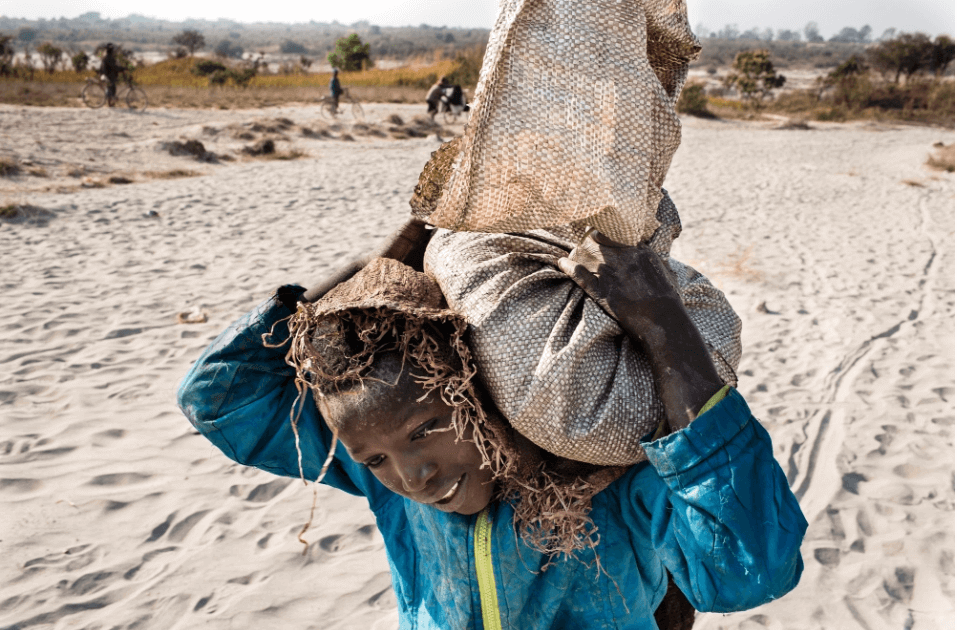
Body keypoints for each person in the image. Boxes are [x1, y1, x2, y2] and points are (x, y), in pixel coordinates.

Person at [178, 218, 807, 630]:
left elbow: (749, 570)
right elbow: (214, 397)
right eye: (375, 459)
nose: (412, 475)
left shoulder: (612, 485)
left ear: (475, 393)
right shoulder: (381, 480)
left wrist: (664, 326)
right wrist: (371, 271)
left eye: (424, 428)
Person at [99, 43, 122, 107]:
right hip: (107, 76)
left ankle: (111, 102)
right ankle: (110, 103)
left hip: (105, 75)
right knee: (112, 87)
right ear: (112, 51)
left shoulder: (106, 57)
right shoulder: (109, 58)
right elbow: (114, 67)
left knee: (112, 87)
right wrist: (122, 69)